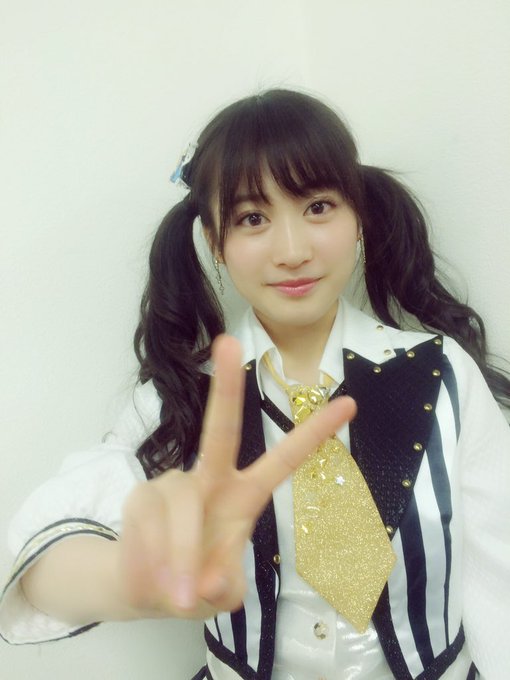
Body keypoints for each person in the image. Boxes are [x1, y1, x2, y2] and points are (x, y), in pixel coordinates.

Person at [1, 89, 509, 680]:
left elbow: (500, 576)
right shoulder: (181, 396)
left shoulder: (444, 373)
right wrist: (130, 582)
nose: (292, 251)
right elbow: (44, 552)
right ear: (215, 241)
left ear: (359, 219)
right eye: (252, 218)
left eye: (318, 207)